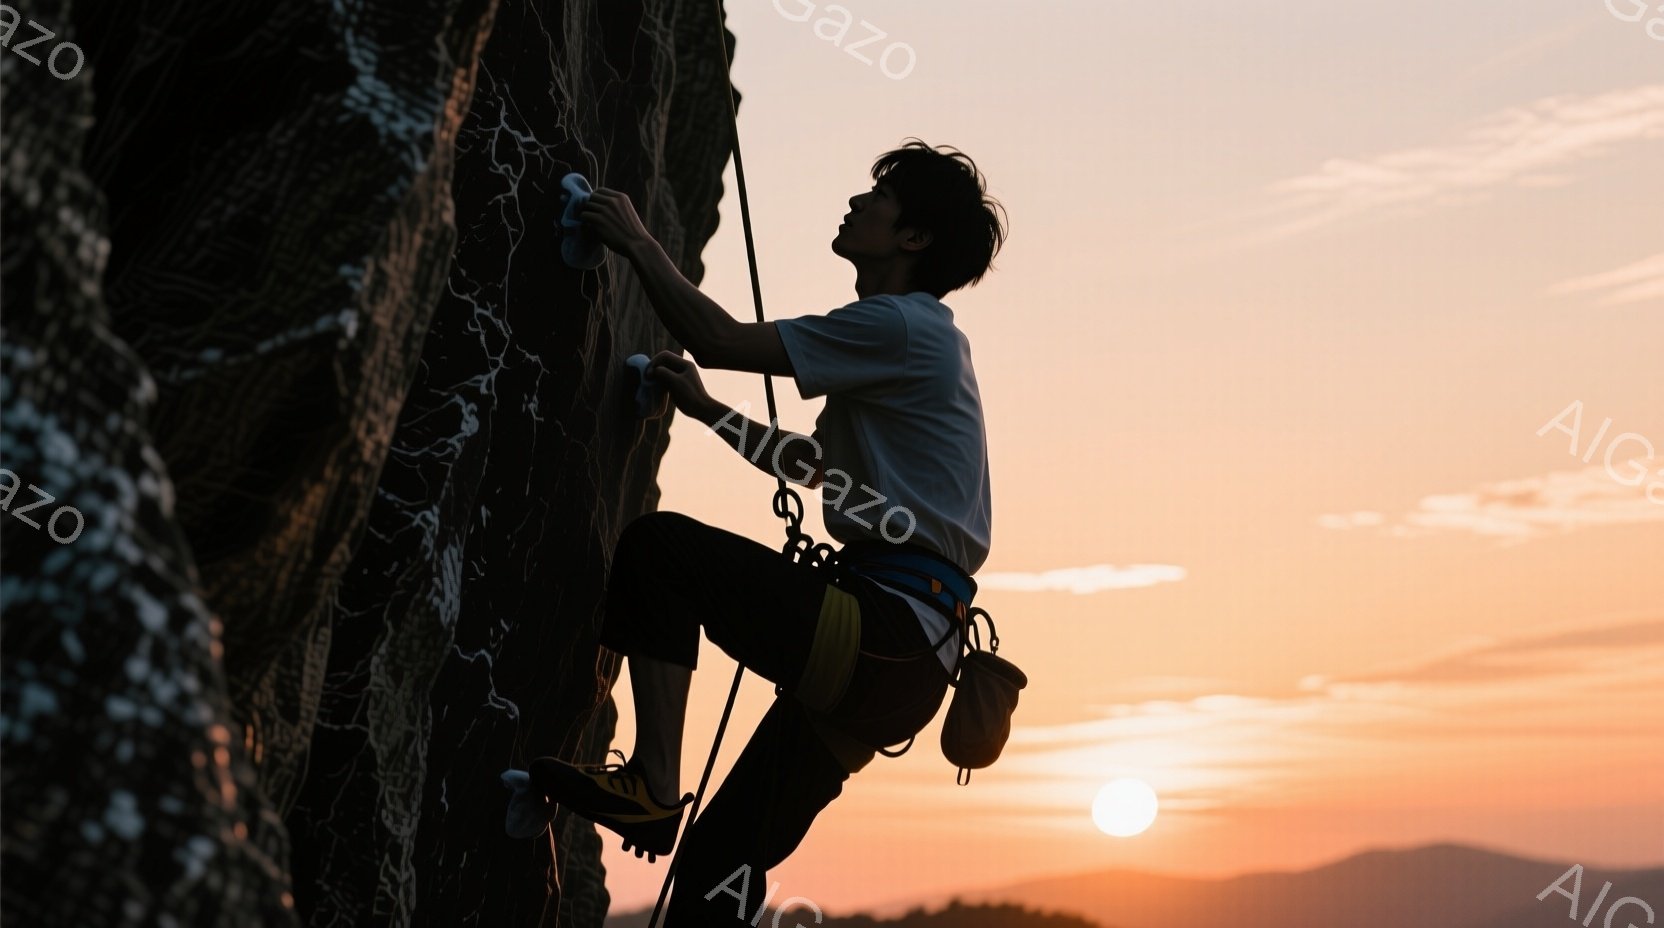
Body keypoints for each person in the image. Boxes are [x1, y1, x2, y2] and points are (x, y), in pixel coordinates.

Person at [508, 139, 1006, 925]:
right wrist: (709, 412)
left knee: (662, 551)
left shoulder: (903, 327)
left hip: (884, 630)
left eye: (878, 199)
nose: (857, 204)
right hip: (905, 661)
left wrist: (636, 240)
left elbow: (721, 340)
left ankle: (650, 783)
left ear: (913, 238)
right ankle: (660, 806)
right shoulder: (917, 340)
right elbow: (817, 468)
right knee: (719, 862)